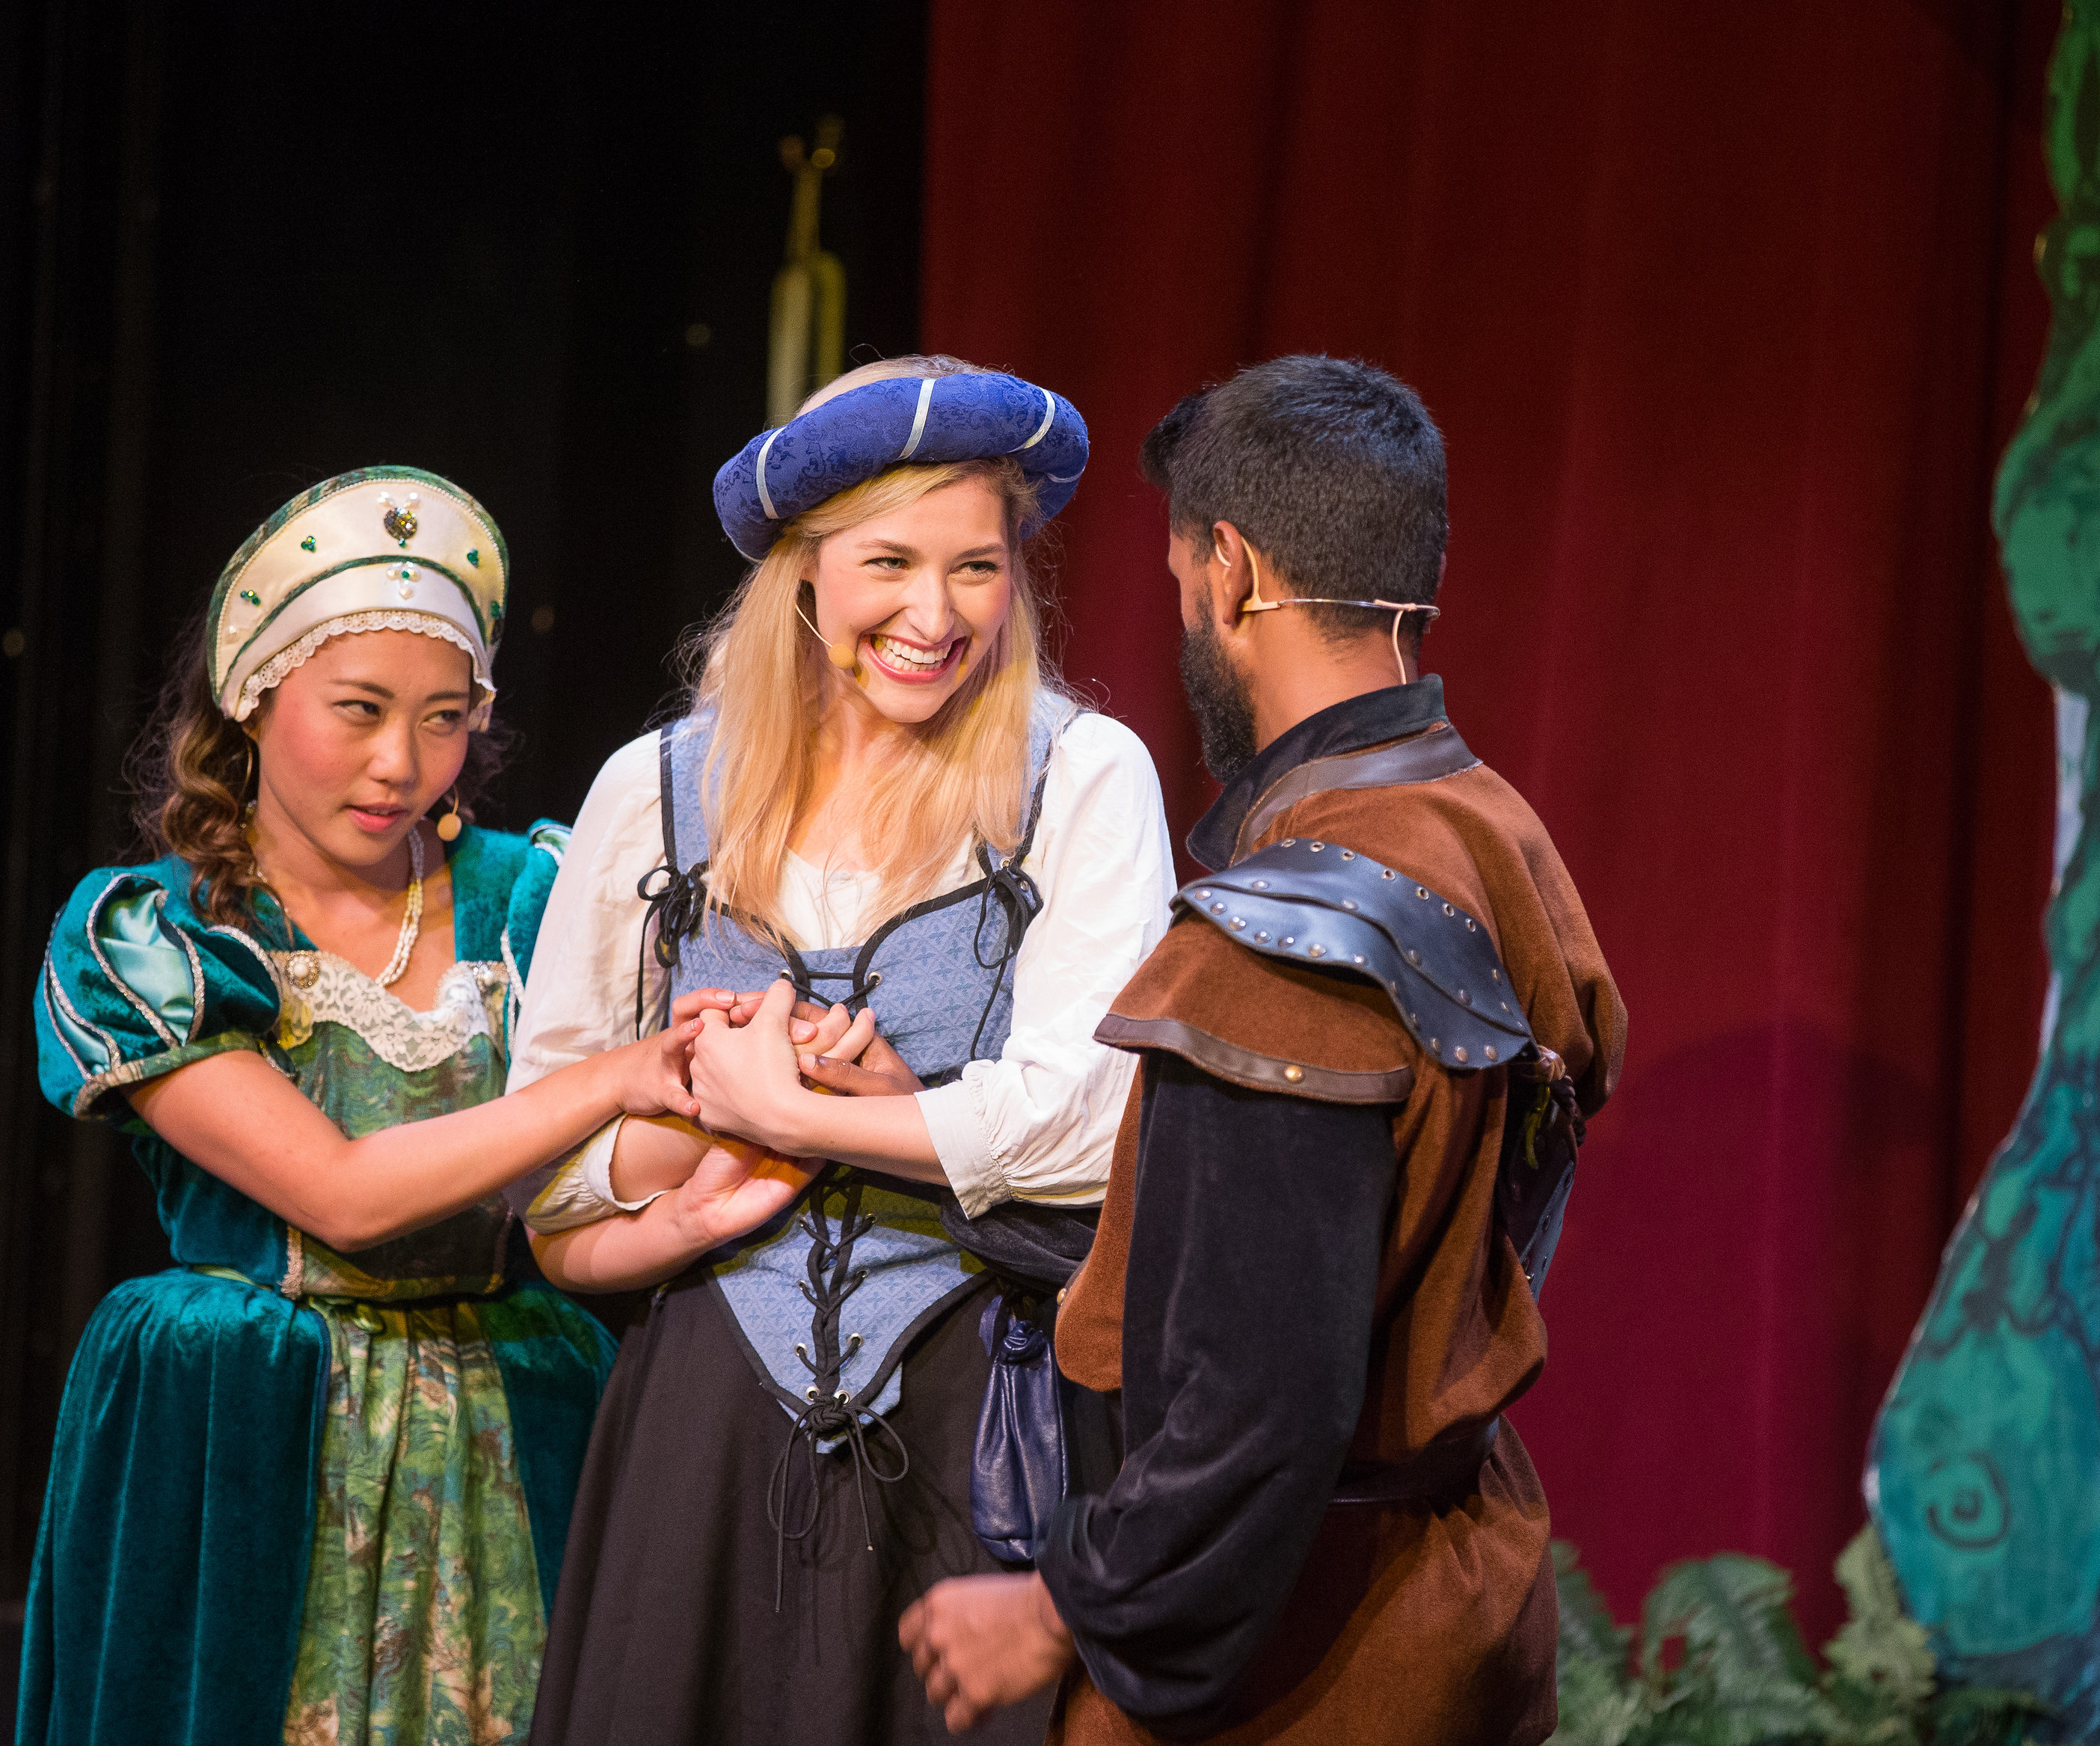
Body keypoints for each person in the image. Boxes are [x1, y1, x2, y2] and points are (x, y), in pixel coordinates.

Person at [900, 357, 1630, 1745]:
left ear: (1230, 572)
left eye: (1183, 576)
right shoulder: (1495, 833)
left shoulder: (1280, 944)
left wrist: (1064, 1607)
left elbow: (1260, 1399)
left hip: (1316, 1656)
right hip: (1462, 1595)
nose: (1186, 605)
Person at [509, 355, 1173, 1746]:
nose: (936, 615)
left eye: (977, 567)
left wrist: (820, 1114)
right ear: (804, 569)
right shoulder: (659, 792)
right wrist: (713, 1116)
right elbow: (544, 1155)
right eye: (890, 563)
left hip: (967, 1430)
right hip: (704, 1420)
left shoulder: (1080, 776)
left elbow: (1098, 1121)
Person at [21, 468, 714, 1746]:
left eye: (444, 717)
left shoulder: (533, 898)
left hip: (508, 1416)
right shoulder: (166, 936)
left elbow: (626, 1156)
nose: (402, 762)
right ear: (252, 693)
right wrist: (609, 1077)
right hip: (247, 1427)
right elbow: (338, 1194)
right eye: (359, 709)